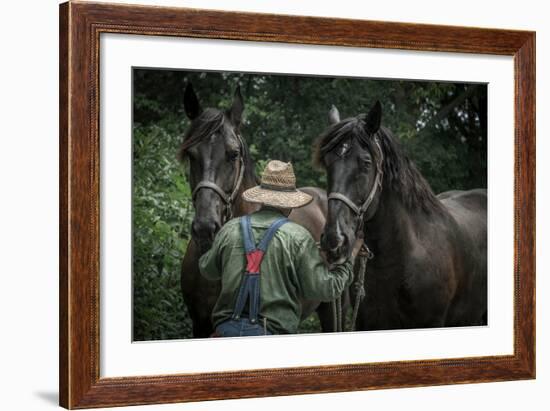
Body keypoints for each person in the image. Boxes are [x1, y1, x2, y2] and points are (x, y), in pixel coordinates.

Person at [199, 160, 354, 337]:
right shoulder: (298, 237)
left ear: (261, 198)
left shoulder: (230, 229)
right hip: (272, 338)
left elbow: (207, 270)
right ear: (289, 203)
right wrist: (347, 260)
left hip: (226, 333)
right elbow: (325, 289)